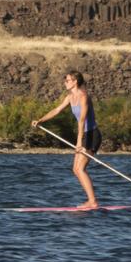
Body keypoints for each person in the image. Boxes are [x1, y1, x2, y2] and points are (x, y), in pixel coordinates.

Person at [31, 71, 101, 209]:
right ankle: (91, 200)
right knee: (75, 169)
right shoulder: (70, 97)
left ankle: (92, 201)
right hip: (84, 135)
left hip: (91, 135)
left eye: (67, 80)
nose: (65, 82)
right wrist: (40, 120)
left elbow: (82, 120)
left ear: (75, 82)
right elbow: (57, 110)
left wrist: (79, 142)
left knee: (80, 169)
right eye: (65, 80)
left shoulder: (83, 96)